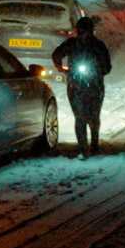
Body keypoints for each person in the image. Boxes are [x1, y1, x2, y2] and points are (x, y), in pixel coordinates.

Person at [51, 15, 113, 159]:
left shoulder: (98, 46)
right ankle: (83, 148)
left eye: (85, 31)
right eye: (81, 32)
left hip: (94, 84)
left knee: (94, 115)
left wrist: (98, 71)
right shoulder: (72, 44)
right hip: (76, 84)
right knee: (80, 117)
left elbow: (107, 66)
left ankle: (94, 143)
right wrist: (60, 68)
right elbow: (56, 54)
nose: (83, 35)